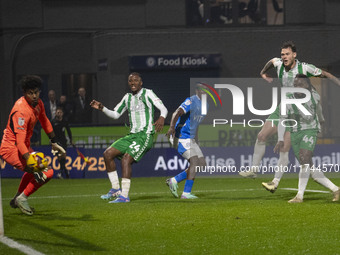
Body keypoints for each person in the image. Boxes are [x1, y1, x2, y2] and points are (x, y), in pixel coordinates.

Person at [239, 41, 340, 188]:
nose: (284, 57)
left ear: (294, 55)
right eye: (282, 54)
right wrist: (262, 73)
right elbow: (271, 62)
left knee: (286, 148)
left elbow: (326, 74)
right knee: (261, 136)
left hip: (300, 109)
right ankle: (254, 170)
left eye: (287, 54)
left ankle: (275, 182)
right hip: (285, 105)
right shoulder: (278, 63)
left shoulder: (304, 68)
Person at [90, 72, 168, 203]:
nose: (133, 83)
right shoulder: (127, 98)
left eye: (136, 80)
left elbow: (163, 109)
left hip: (145, 135)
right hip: (132, 135)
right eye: (130, 81)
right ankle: (115, 189)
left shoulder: (148, 93)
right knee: (107, 154)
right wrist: (102, 108)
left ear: (141, 82)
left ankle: (124, 196)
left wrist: (162, 117)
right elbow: (115, 114)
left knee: (126, 160)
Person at [0, 75, 66, 215]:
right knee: (47, 172)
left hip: (23, 146)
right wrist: (30, 162)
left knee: (36, 171)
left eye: (36, 92)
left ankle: (16, 198)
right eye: (31, 93)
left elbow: (45, 121)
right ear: (24, 92)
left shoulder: (38, 104)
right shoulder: (21, 111)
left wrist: (53, 141)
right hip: (12, 148)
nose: (34, 96)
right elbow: (19, 142)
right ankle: (22, 198)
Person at [274, 74, 339, 203]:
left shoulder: (314, 97)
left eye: (300, 84)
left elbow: (318, 109)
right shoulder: (287, 99)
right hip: (295, 133)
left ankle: (299, 196)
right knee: (309, 167)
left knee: (304, 158)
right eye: (295, 85)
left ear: (307, 85)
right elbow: (282, 119)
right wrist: (280, 138)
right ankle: (336, 189)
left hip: (310, 130)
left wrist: (321, 120)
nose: (298, 87)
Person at [165, 83, 207, 199]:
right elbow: (177, 112)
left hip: (191, 138)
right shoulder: (191, 101)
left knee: (202, 165)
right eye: (203, 90)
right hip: (181, 136)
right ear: (197, 91)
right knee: (194, 162)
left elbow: (196, 124)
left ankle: (174, 180)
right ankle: (186, 193)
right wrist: (172, 127)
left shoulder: (205, 106)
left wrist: (196, 140)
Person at [52, 107, 73, 179]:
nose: (59, 114)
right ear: (55, 113)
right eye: (58, 112)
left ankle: (61, 173)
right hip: (56, 142)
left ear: (62, 114)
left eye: (60, 112)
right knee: (59, 158)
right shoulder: (53, 122)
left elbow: (69, 131)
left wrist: (71, 140)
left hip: (63, 141)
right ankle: (65, 171)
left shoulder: (64, 121)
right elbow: (50, 132)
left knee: (62, 156)